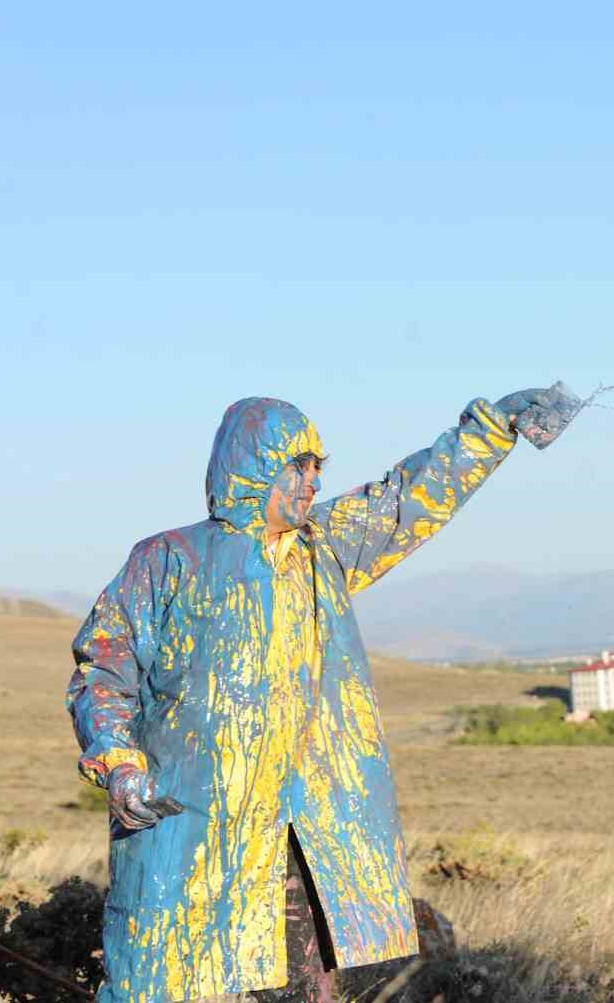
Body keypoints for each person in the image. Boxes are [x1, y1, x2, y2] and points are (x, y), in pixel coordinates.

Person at [66, 388, 574, 1003]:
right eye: (295, 465)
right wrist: (119, 760)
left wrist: (495, 429)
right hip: (194, 832)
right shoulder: (169, 560)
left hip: (305, 833)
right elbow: (104, 665)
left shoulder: (325, 549)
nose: (309, 481)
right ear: (250, 467)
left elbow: (406, 498)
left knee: (302, 985)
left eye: (316, 468)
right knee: (175, 980)